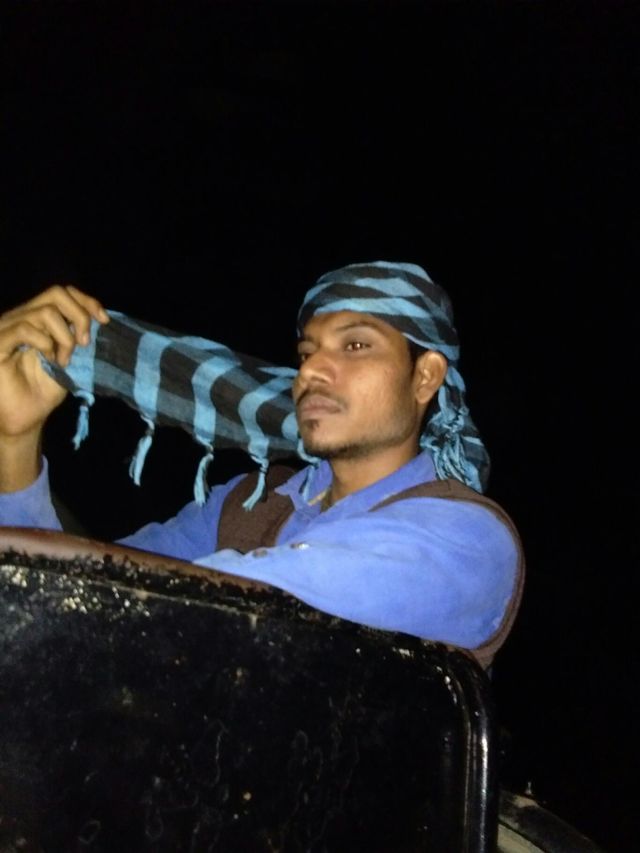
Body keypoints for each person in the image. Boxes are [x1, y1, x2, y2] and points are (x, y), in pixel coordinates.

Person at [0, 261, 524, 668]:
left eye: (355, 345)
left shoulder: (467, 538)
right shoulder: (247, 502)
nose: (312, 371)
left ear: (426, 376)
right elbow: (70, 591)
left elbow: (175, 605)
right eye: (307, 352)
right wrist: (13, 438)